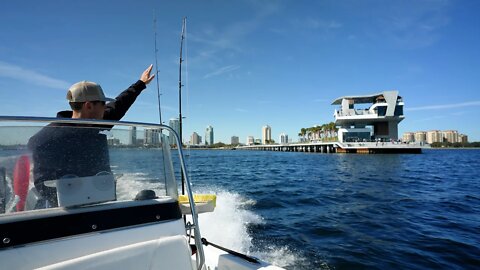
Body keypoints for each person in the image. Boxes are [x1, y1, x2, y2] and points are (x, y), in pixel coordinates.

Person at [27, 65, 155, 206]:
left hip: (102, 206)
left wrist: (140, 84)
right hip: (66, 213)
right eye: (103, 104)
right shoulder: (44, 140)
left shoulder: (96, 122)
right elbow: (42, 185)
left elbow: (118, 105)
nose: (106, 108)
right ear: (88, 106)